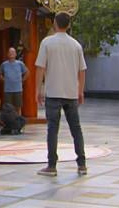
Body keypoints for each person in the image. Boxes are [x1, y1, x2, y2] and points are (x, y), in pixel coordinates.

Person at [35, 12, 87, 177]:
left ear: (54, 24)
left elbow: (40, 68)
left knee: (53, 129)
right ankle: (82, 164)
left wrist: (38, 90)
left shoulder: (47, 43)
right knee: (76, 129)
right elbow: (82, 71)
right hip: (71, 92)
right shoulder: (76, 45)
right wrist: (80, 91)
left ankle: (52, 165)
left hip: (53, 91)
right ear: (69, 25)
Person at [0, 47, 28, 114]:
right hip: (8, 90)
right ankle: (9, 122)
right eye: (10, 52)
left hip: (18, 89)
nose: (11, 54)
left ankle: (18, 123)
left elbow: (27, 72)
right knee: (8, 108)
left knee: (18, 107)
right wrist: (3, 80)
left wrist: (22, 80)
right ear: (7, 54)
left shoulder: (20, 64)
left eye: (13, 52)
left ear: (15, 54)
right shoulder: (4, 64)